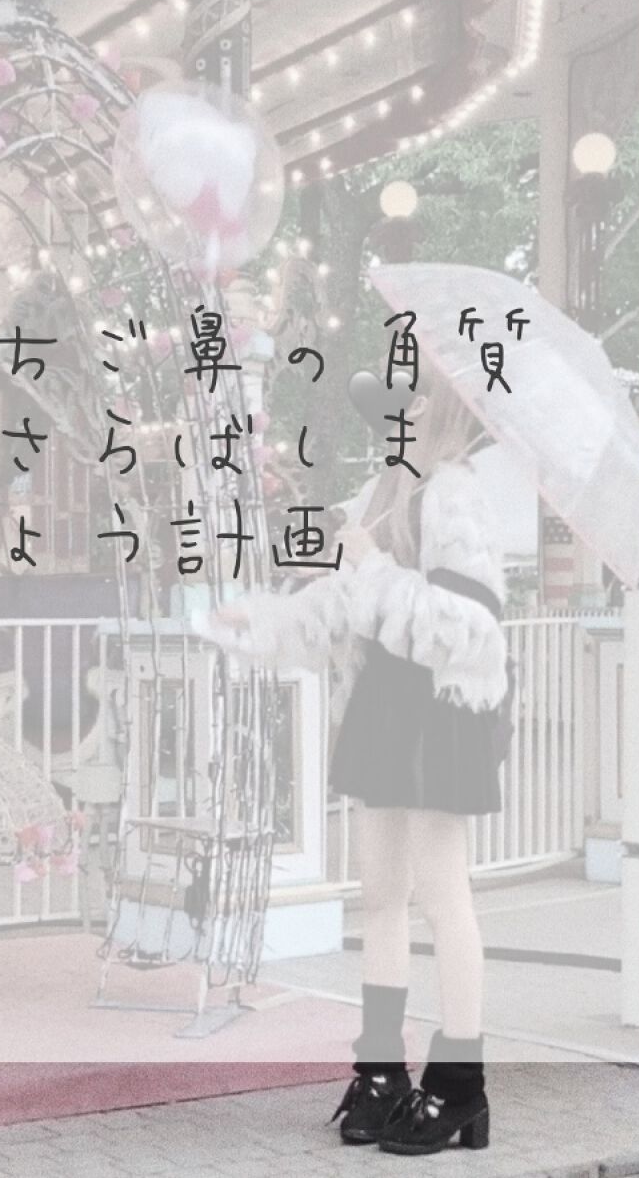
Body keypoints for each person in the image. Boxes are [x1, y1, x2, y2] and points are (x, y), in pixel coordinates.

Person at [202, 368, 509, 1155]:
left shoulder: (456, 493)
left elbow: (469, 627)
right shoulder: (386, 490)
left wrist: (372, 565)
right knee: (379, 894)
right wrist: (261, 623)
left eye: (409, 401)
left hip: (440, 709)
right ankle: (382, 1072)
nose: (394, 418)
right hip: (385, 704)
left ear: (437, 409)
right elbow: (340, 608)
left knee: (442, 894)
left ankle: (460, 1085)